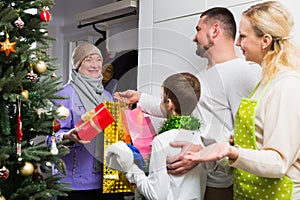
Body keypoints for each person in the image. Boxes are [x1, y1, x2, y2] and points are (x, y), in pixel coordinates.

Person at [114, 7, 261, 200]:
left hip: (220, 182)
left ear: (214, 31)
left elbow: (250, 133)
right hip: (195, 180)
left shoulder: (243, 72)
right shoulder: (201, 77)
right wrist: (139, 97)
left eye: (199, 29)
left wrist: (203, 154)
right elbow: (176, 107)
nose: (194, 37)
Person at [182, 1, 300, 199]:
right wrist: (216, 147)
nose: (237, 43)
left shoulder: (286, 84)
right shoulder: (266, 82)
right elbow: (256, 138)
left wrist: (231, 151)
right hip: (250, 191)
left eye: (243, 36)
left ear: (265, 40)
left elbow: (279, 161)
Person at [106, 72, 209, 200]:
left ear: (169, 103)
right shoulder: (201, 140)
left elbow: (156, 195)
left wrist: (132, 168)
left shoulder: (162, 141)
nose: (160, 101)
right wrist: (139, 97)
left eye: (161, 98)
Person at [49, 42, 113, 200]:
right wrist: (67, 136)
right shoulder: (64, 94)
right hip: (72, 183)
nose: (95, 65)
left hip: (105, 181)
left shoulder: (107, 96)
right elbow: (49, 139)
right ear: (77, 65)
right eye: (88, 60)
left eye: (98, 60)